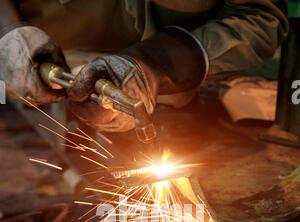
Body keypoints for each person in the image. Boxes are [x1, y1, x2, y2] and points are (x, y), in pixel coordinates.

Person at [0, 0, 288, 134]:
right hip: (47, 57)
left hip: (180, 88)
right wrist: (8, 30)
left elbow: (261, 19)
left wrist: (156, 63)